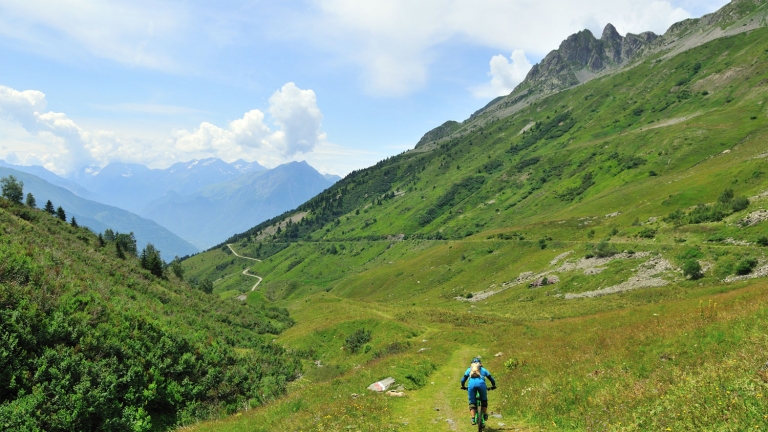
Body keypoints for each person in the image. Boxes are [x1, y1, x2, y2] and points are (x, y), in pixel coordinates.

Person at [460, 357, 497, 425]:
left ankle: (473, 418)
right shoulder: (483, 370)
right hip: (481, 385)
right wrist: (493, 385)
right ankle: (485, 414)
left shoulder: (468, 370)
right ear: (480, 364)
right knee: (484, 400)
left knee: (472, 402)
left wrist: (463, 386)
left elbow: (463, 380)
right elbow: (491, 379)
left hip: (471, 385)